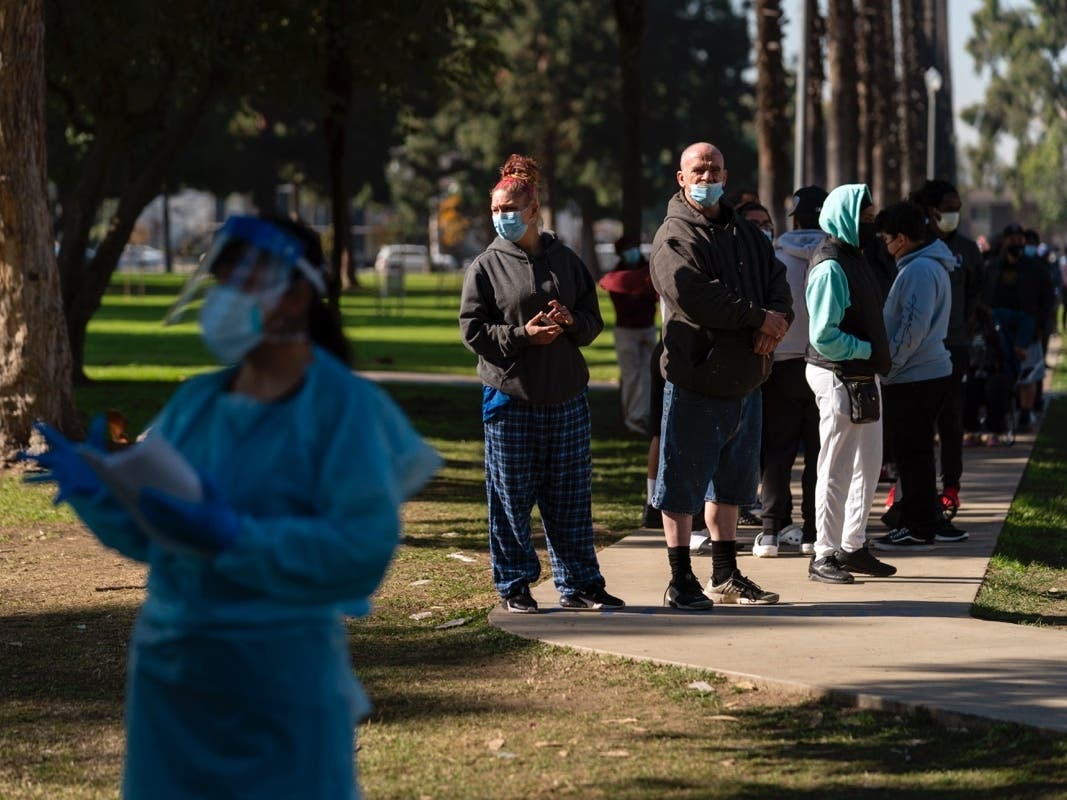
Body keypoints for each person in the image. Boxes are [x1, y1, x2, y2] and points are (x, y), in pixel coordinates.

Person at [22, 215, 441, 799]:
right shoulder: (198, 401)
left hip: (281, 684)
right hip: (173, 681)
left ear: (296, 294)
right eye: (221, 285)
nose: (225, 302)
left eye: (244, 283)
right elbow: (155, 536)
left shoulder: (344, 410)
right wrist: (105, 497)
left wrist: (236, 538)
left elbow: (358, 552)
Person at [459, 153, 625, 614]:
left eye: (510, 209)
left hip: (567, 397)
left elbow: (592, 324)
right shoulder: (485, 267)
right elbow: (472, 331)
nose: (502, 217)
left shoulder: (567, 261)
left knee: (571, 496)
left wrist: (571, 321)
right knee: (510, 498)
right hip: (510, 398)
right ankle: (514, 584)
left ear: (533, 210)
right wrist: (521, 335)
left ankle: (580, 584)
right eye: (495, 209)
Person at [648, 141, 792, 610]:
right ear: (682, 178)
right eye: (699, 170)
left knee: (731, 485)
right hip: (697, 382)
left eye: (715, 170)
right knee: (682, 484)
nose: (707, 178)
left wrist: (777, 318)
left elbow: (777, 281)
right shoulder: (674, 234)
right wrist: (757, 319)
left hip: (746, 381)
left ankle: (725, 575)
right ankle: (679, 580)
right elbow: (693, 293)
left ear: (726, 175)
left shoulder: (744, 231)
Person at [804, 184, 896, 583]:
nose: (872, 224)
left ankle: (853, 545)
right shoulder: (830, 266)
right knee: (836, 466)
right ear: (846, 217)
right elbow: (823, 334)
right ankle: (824, 553)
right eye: (866, 217)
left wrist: (871, 356)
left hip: (862, 375)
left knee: (868, 465)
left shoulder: (855, 256)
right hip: (838, 374)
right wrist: (866, 349)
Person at [871, 201, 968, 550]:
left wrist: (889, 365)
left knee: (914, 455)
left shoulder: (919, 271)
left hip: (916, 376)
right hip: (920, 373)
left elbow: (912, 328)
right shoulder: (924, 266)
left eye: (886, 237)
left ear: (901, 238)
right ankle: (918, 521)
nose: (884, 244)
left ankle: (919, 527)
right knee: (915, 453)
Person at [751, 187, 827, 559]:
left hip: (779, 365)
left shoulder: (774, 254)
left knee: (776, 453)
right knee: (818, 453)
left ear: (795, 218)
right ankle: (813, 530)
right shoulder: (834, 255)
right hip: (822, 365)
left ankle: (770, 532)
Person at [908, 179, 983, 519]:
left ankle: (950, 486)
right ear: (932, 209)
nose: (955, 213)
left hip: (954, 346)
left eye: (958, 208)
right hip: (917, 347)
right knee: (914, 420)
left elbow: (980, 292)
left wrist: (972, 318)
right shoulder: (916, 243)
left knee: (951, 420)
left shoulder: (968, 249)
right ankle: (908, 487)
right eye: (949, 207)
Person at [983, 223, 1053, 433]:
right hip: (999, 330)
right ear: (1004, 241)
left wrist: (1041, 325)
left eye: (1020, 239)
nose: (1017, 243)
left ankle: (1025, 412)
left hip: (1028, 329)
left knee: (1028, 375)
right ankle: (1000, 413)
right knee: (1000, 372)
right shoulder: (993, 267)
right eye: (1012, 239)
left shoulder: (1036, 268)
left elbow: (1047, 299)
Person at [598, 235, 659, 435]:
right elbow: (614, 284)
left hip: (647, 328)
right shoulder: (619, 275)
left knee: (650, 375)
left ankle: (646, 415)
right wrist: (641, 284)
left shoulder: (648, 270)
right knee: (632, 376)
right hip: (627, 332)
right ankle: (634, 419)